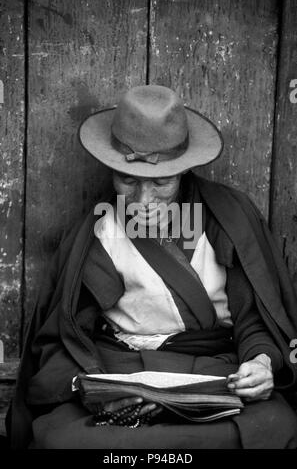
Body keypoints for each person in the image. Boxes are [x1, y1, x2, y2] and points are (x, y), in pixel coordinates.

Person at [6, 85, 297, 449]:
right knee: (61, 440)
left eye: (161, 182)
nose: (144, 201)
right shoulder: (97, 230)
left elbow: (256, 317)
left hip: (214, 378)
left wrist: (262, 363)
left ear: (183, 170)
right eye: (128, 180)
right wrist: (90, 386)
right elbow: (65, 336)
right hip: (122, 375)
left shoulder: (229, 218)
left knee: (276, 426)